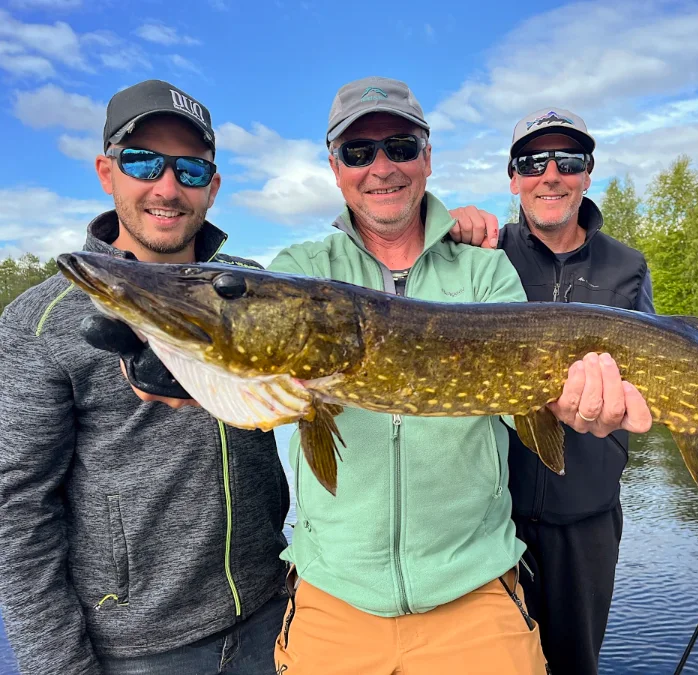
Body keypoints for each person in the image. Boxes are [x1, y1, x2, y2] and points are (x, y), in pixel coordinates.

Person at [255, 76, 653, 674]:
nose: (382, 166)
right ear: (335, 167)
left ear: (427, 158)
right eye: (359, 152)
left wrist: (562, 404)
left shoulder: (485, 273)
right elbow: (244, 383)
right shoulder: (302, 270)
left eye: (401, 147)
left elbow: (526, 392)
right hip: (334, 594)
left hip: (475, 591)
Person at [465, 107, 698, 675]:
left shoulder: (628, 267)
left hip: (587, 512)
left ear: (588, 174)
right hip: (491, 520)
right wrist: (451, 222)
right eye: (533, 162)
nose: (551, 174)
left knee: (575, 665)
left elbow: (669, 367)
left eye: (569, 161)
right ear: (513, 178)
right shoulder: (484, 257)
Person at [0, 80, 291, 675]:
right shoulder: (40, 320)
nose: (167, 187)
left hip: (273, 612)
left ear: (211, 186)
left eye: (189, 169)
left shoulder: (255, 285)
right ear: (108, 172)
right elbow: (17, 511)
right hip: (139, 651)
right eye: (142, 161)